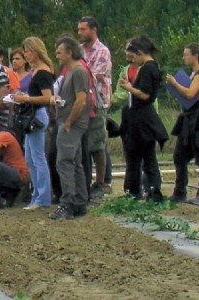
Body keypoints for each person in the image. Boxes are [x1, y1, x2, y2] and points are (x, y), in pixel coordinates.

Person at [116, 35, 169, 202]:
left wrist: (129, 88)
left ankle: (138, 191)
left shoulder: (147, 69)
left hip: (141, 118)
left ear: (140, 53)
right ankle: (148, 190)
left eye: (133, 56)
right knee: (145, 157)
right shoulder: (154, 67)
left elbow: (145, 94)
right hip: (141, 117)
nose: (133, 60)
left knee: (139, 157)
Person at [49, 36, 91, 220]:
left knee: (64, 162)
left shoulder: (79, 71)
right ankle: (80, 202)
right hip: (68, 121)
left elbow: (81, 99)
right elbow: (73, 98)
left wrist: (69, 122)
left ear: (70, 52)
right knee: (74, 162)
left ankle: (67, 204)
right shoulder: (70, 72)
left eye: (60, 52)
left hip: (71, 124)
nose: (57, 55)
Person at [165, 44, 199, 205]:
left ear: (195, 56)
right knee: (179, 156)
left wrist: (174, 83)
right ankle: (180, 191)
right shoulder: (193, 74)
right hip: (187, 119)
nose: (184, 57)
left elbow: (191, 93)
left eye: (186, 54)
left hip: (197, 120)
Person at [12, 36, 56, 210]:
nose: (26, 55)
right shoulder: (36, 71)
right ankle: (37, 194)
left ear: (36, 52)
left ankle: (43, 197)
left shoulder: (43, 73)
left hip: (37, 115)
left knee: (38, 157)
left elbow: (47, 98)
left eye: (28, 52)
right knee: (30, 157)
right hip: (32, 114)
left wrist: (26, 98)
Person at [78, 16, 113, 201]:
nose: (80, 33)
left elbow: (94, 74)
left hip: (97, 102)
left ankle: (100, 182)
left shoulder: (103, 51)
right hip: (82, 103)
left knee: (97, 144)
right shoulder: (79, 50)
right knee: (84, 144)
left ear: (93, 30)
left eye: (83, 29)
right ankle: (86, 182)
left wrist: (79, 73)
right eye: (79, 30)